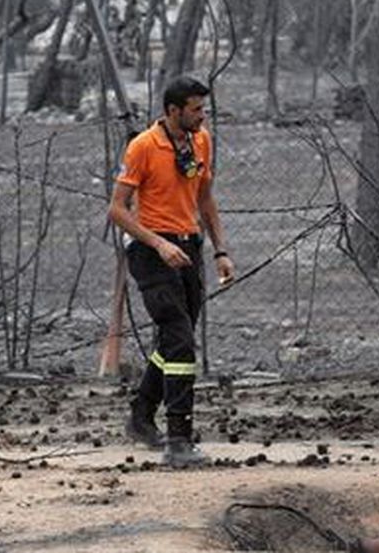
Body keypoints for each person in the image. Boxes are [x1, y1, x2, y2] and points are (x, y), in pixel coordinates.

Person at [107, 75, 235, 468]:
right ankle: (178, 437)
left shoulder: (201, 141)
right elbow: (116, 209)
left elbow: (206, 198)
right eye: (195, 109)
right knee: (179, 339)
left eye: (203, 108)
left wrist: (220, 251)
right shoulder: (144, 146)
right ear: (172, 111)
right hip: (151, 251)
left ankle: (141, 416)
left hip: (189, 247)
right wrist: (159, 244)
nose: (202, 115)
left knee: (174, 339)